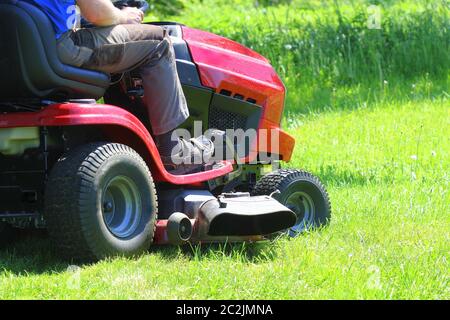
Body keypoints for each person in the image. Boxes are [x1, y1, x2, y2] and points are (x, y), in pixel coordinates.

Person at [26, 0, 214, 173]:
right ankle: (172, 151)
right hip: (60, 48)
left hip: (23, 54)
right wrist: (124, 16)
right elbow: (97, 13)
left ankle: (125, 139)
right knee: (160, 43)